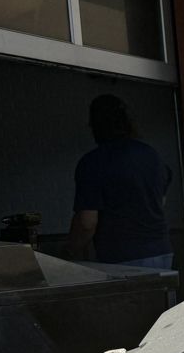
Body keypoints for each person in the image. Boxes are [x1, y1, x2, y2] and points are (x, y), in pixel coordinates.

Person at [65, 94, 173, 269]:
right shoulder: (152, 156)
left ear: (94, 126)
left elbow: (87, 222)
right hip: (161, 249)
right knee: (161, 296)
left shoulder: (93, 162)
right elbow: (160, 201)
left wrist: (70, 251)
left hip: (122, 256)